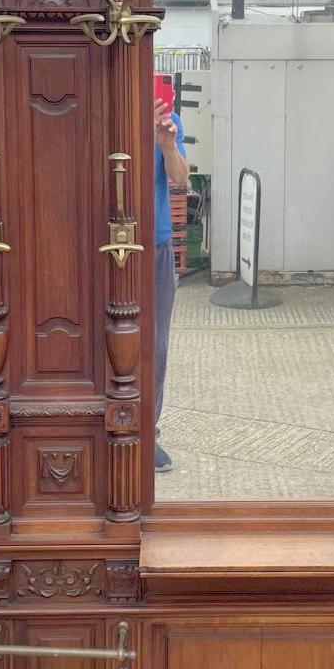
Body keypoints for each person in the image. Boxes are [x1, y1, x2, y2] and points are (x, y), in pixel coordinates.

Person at [154, 95, 189, 472]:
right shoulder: (105, 113)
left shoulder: (169, 119)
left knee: (155, 343)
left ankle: (147, 431)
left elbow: (180, 178)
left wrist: (166, 144)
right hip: (104, 241)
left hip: (156, 243)